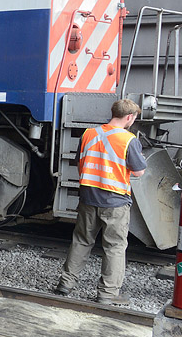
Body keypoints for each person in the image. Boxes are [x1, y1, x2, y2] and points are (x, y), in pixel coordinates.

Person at [55, 98, 147, 305]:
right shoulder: (128, 139)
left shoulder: (89, 134)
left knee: (81, 240)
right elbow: (139, 172)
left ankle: (66, 284)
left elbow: (80, 162)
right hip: (115, 200)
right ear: (129, 118)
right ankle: (107, 294)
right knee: (114, 246)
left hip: (88, 196)